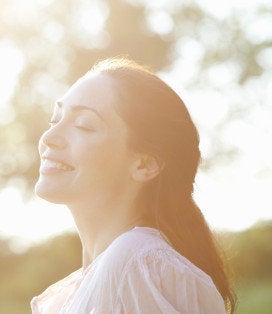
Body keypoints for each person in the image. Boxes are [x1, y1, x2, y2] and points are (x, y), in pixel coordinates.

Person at [30, 57, 236, 313]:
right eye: (55, 119)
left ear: (144, 165)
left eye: (83, 125)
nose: (49, 138)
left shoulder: (138, 265)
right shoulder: (87, 284)